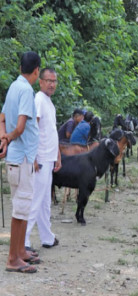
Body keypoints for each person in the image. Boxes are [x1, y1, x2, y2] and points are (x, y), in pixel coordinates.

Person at [0, 51, 41, 273]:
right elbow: (21, 126)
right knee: (20, 209)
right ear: (36, 70)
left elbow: (2, 117)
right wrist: (8, 137)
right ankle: (12, 259)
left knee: (23, 207)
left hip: (20, 156)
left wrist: (3, 139)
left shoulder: (14, 87)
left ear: (20, 68)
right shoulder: (26, 90)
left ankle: (21, 252)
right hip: (21, 157)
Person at [25, 67, 62, 251]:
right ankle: (24, 241)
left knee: (45, 201)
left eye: (54, 81)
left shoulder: (49, 102)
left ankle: (47, 237)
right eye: (48, 80)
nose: (51, 84)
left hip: (49, 157)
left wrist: (57, 155)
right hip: (40, 157)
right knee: (36, 199)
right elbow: (33, 128)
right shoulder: (39, 99)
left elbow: (51, 132)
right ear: (40, 81)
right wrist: (33, 156)